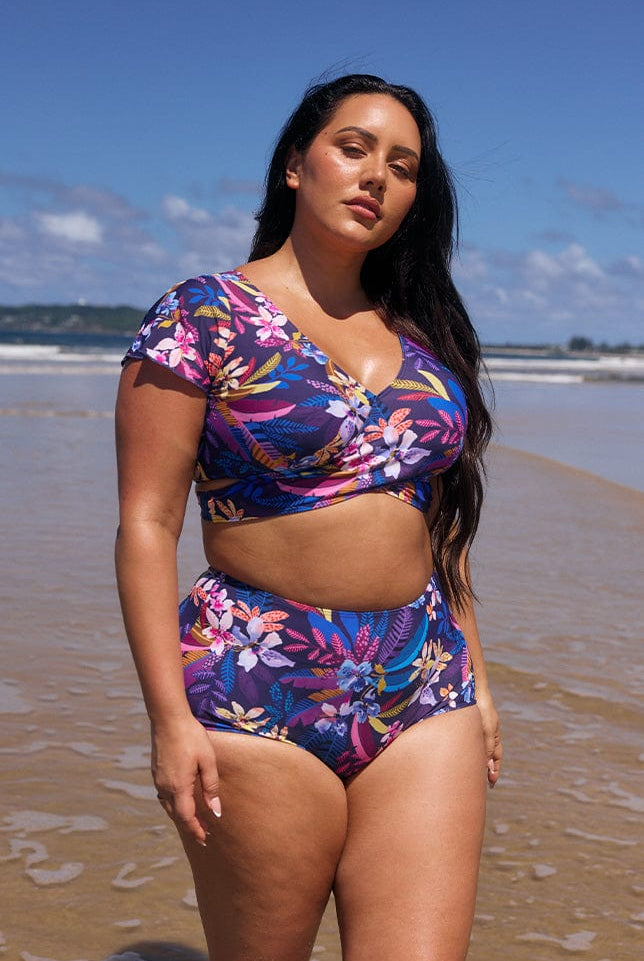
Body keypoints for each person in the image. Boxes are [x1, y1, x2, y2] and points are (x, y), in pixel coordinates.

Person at [115, 73, 502, 961]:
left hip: (423, 678)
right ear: (297, 163)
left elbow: (443, 523)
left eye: (402, 167)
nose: (376, 177)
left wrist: (481, 682)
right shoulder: (203, 315)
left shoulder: (422, 335)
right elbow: (146, 525)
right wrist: (169, 722)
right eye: (354, 148)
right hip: (259, 684)